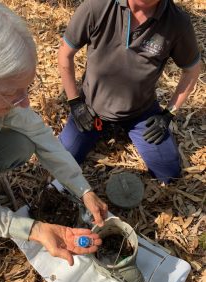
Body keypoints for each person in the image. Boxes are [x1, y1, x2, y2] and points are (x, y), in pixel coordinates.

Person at [0, 0, 108, 282]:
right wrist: (34, 229)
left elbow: (37, 132)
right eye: (12, 92)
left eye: (26, 88)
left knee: (21, 143)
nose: (24, 102)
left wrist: (82, 188)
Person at [58, 0, 201, 184]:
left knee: (169, 171)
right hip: (91, 107)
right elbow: (65, 53)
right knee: (62, 160)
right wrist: (75, 103)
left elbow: (192, 70)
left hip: (141, 111)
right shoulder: (97, 6)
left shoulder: (177, 22)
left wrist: (168, 114)